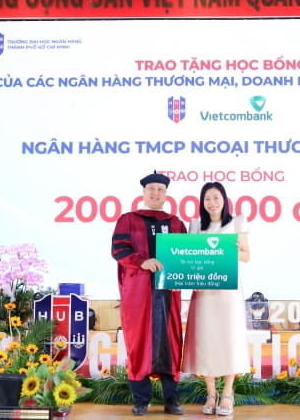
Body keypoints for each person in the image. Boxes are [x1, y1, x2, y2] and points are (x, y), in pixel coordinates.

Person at [111, 172, 187, 416]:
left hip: (167, 293)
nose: (156, 193)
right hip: (138, 293)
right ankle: (141, 399)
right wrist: (142, 261)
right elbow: (118, 250)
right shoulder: (128, 220)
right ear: (143, 192)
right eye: (151, 189)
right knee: (139, 343)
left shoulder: (176, 223)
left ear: (166, 194)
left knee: (170, 342)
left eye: (160, 190)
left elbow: (185, 257)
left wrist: (185, 276)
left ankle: (171, 399)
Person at [181, 182, 251, 416]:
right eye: (207, 198)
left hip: (228, 292)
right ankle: (211, 393)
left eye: (216, 197)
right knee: (205, 340)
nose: (211, 202)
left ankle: (228, 393)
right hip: (203, 292)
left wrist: (228, 250)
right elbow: (189, 257)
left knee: (229, 338)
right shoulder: (195, 225)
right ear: (202, 202)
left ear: (224, 199)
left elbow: (246, 256)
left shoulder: (237, 222)